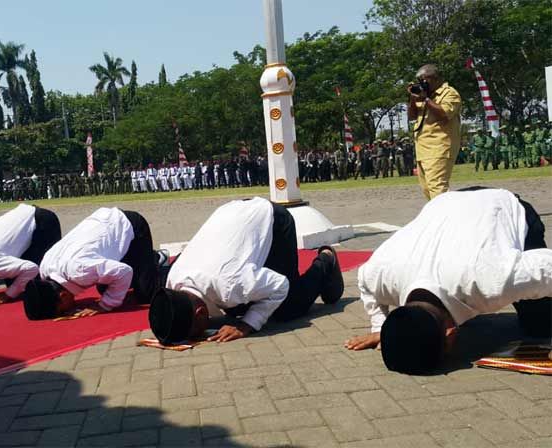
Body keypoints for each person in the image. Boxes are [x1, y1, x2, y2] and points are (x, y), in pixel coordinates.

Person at [345, 188, 552, 374]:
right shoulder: (380, 274)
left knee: (541, 325)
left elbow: (547, 266)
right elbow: (365, 282)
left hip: (500, 205)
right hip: (445, 205)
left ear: (451, 334)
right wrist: (381, 327)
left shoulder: (494, 279)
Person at [148, 197, 345, 344]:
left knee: (288, 307)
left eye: (195, 333)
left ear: (200, 313)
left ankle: (326, 261)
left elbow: (280, 285)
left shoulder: (230, 284)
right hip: (232, 214)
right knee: (240, 305)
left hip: (273, 221)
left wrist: (248, 325)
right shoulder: (174, 279)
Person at [23, 208, 167, 320]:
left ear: (63, 296)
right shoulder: (45, 268)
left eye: (63, 310)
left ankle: (163, 262)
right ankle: (146, 260)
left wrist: (104, 306)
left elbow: (124, 272)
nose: (68, 311)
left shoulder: (80, 270)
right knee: (105, 288)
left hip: (131, 226)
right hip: (107, 228)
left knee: (146, 293)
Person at [407, 64, 461, 200]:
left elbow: (443, 114)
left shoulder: (449, 93)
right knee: (427, 190)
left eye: (424, 80)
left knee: (437, 189)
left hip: (439, 147)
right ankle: (439, 217)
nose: (422, 84)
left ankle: (445, 219)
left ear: (435, 78)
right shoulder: (425, 95)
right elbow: (412, 116)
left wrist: (426, 99)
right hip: (422, 150)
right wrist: (413, 99)